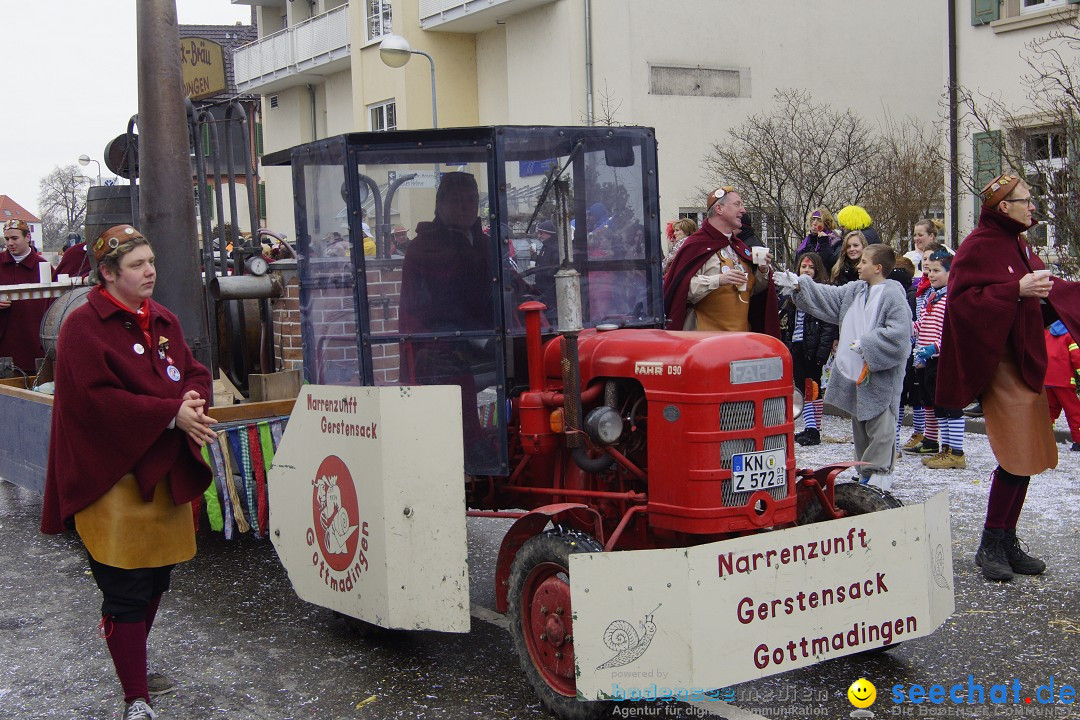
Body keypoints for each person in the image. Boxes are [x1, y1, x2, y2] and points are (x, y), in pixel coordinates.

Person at [40, 224, 217, 720]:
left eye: (151, 262)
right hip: (109, 476)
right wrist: (168, 413)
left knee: (157, 579)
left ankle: (132, 664)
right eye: (138, 265)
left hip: (158, 469)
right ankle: (135, 698)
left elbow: (193, 370)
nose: (150, 272)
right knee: (125, 587)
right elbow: (97, 401)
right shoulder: (82, 327)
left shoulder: (162, 319)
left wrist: (191, 400)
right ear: (108, 273)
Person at [937, 173, 1080, 582]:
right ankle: (990, 545)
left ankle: (1006, 539)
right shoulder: (978, 246)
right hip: (998, 363)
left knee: (1027, 456)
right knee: (1016, 454)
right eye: (1026, 200)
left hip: (1024, 358)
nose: (1033, 206)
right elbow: (962, 306)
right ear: (1004, 207)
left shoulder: (1018, 242)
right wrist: (1014, 289)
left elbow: (1045, 296)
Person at [775, 244, 911, 489]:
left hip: (879, 373)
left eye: (865, 262)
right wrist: (799, 285)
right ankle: (864, 470)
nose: (859, 266)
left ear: (878, 267)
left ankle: (880, 473)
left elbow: (900, 335)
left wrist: (869, 344)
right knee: (860, 423)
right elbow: (828, 296)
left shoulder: (893, 294)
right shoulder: (856, 290)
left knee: (880, 424)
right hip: (855, 372)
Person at [399, 172, 497, 471]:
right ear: (440, 204)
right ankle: (470, 448)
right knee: (454, 370)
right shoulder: (424, 247)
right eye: (456, 200)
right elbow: (426, 307)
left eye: (471, 200)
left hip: (487, 331)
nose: (465, 207)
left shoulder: (484, 244)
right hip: (437, 337)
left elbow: (501, 285)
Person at [663, 186, 779, 336]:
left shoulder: (739, 247)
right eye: (737, 204)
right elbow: (679, 288)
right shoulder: (695, 245)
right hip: (705, 343)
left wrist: (763, 271)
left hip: (740, 339)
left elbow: (753, 291)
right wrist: (718, 280)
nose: (743, 210)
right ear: (719, 208)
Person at [908, 250, 967, 469]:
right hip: (928, 360)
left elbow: (955, 332)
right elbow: (921, 325)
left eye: (936, 270)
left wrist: (936, 346)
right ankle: (945, 449)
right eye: (929, 270)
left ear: (951, 272)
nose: (931, 274)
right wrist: (906, 326)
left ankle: (957, 451)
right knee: (937, 404)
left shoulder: (953, 298)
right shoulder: (931, 296)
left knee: (951, 404)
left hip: (945, 359)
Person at [779, 252, 837, 446]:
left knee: (812, 387)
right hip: (797, 344)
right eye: (803, 267)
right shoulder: (792, 292)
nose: (806, 270)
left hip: (813, 347)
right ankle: (812, 427)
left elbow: (828, 324)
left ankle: (813, 429)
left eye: (811, 267)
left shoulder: (822, 291)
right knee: (804, 386)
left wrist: (822, 350)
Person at [0, 218, 55, 375]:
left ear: (28, 238)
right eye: (7, 239)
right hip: (4, 345)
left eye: (15, 238)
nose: (10, 243)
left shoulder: (43, 267)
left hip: (33, 345)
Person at [1043, 320, 1080, 452]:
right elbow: (1077, 357)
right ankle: (1078, 441)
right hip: (1064, 381)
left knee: (1049, 411)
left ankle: (1044, 440)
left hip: (1046, 381)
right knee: (1074, 411)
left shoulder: (1046, 334)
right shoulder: (1070, 336)